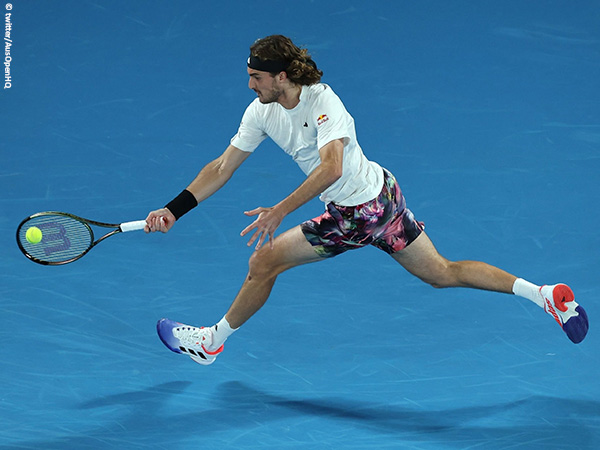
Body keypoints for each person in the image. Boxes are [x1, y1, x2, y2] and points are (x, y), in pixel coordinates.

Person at [145, 35, 588, 366]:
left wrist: (280, 210)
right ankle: (542, 294)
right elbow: (222, 167)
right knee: (442, 272)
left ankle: (211, 343)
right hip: (385, 194)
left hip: (360, 213)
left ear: (281, 76)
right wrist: (174, 208)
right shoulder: (260, 111)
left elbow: (332, 167)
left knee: (265, 263)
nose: (249, 85)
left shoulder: (323, 101)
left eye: (256, 77)